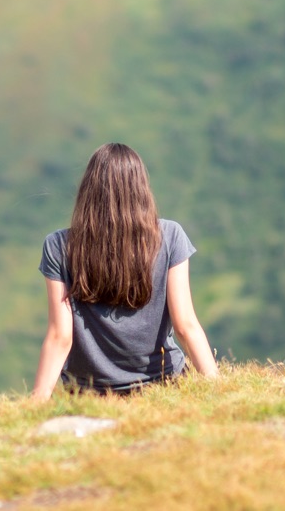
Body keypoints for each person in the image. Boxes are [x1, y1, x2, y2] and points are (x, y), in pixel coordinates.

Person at [32, 143, 218, 400]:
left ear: (88, 190)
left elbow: (60, 336)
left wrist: (36, 402)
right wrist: (218, 390)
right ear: (141, 188)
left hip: (88, 394)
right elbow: (186, 326)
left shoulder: (58, 246)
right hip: (162, 388)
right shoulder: (171, 237)